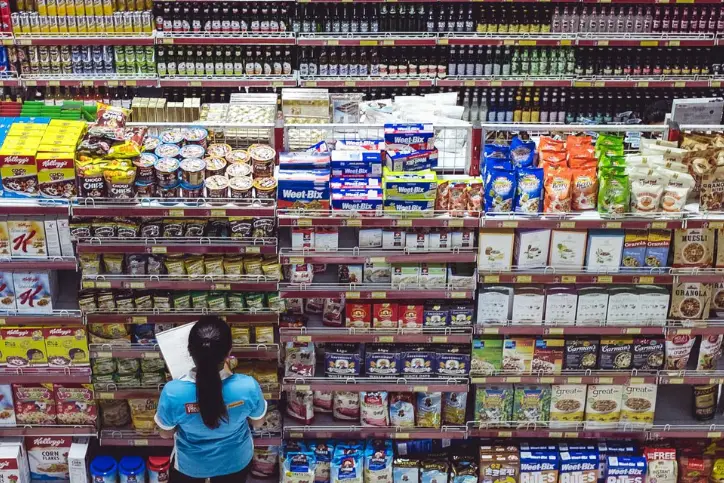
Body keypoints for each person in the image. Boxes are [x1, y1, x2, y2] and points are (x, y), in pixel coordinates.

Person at [154, 316, 267, 482]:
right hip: (235, 461)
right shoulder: (247, 386)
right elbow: (258, 423)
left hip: (191, 465)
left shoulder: (173, 392)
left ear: (189, 351)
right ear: (229, 352)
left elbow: (165, 433)